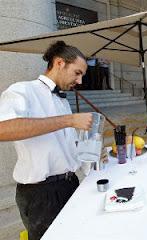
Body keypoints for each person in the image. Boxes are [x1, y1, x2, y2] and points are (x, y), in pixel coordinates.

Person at [0, 41, 93, 240]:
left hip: (70, 184)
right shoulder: (22, 90)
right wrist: (69, 120)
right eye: (77, 73)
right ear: (59, 63)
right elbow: (3, 129)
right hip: (40, 195)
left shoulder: (62, 100)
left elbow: (63, 147)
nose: (80, 81)